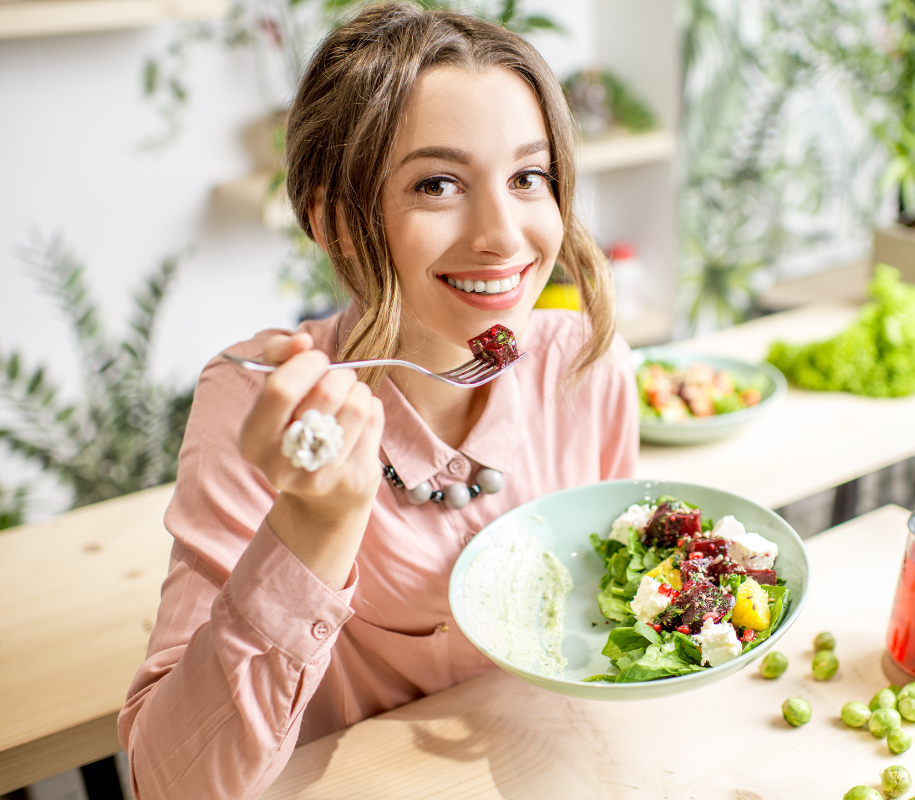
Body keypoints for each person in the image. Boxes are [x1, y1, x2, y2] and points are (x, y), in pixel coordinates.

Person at [117, 3, 639, 798]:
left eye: (529, 177)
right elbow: (169, 783)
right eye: (438, 184)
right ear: (335, 222)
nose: (503, 234)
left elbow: (611, 622)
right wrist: (311, 528)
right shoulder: (260, 407)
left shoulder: (585, 367)